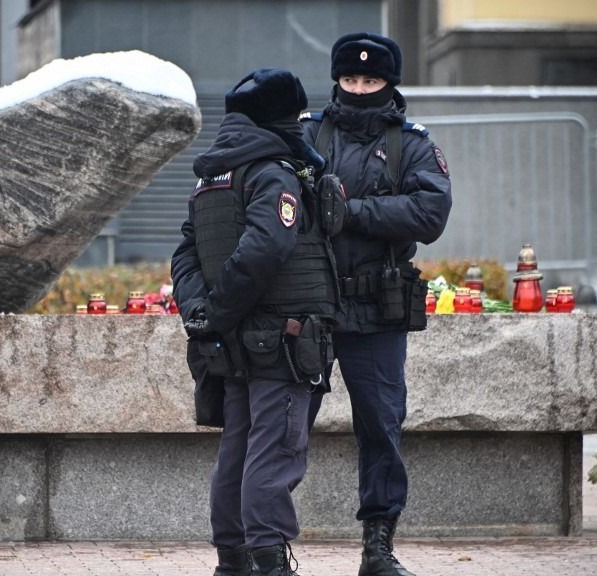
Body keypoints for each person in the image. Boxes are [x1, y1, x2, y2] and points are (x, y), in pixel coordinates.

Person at [171, 68, 339, 576]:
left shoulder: (211, 176)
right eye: (295, 117)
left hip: (234, 340)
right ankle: (269, 562)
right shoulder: (272, 171)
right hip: (280, 338)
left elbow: (185, 253)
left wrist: (204, 311)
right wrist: (219, 309)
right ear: (279, 119)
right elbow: (267, 246)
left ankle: (232, 562)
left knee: (239, 450)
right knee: (275, 450)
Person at [301, 33, 452, 576]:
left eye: (371, 81)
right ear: (336, 80)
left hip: (376, 307)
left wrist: (354, 212)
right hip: (312, 303)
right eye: (350, 80)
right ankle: (265, 543)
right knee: (287, 426)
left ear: (391, 83)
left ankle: (378, 549)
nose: (359, 89)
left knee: (382, 429)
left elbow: (430, 213)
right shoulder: (308, 133)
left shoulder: (410, 142)